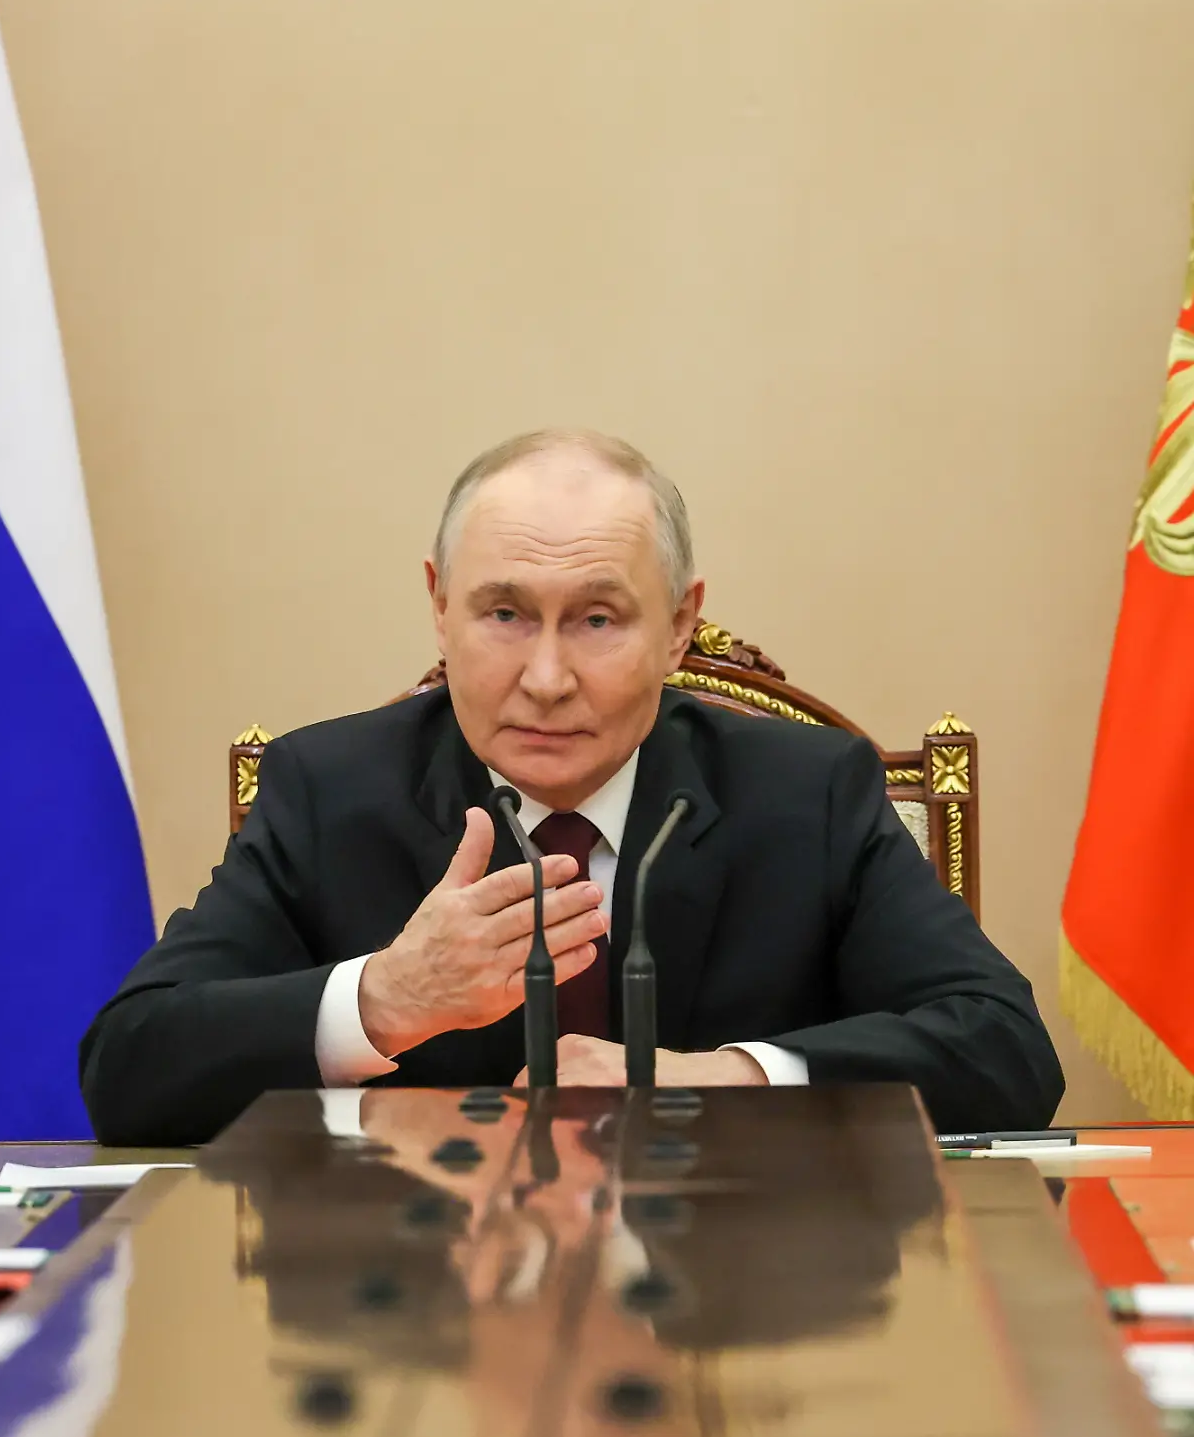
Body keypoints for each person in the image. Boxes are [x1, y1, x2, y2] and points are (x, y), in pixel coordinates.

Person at [79, 428, 1064, 1145]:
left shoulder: (805, 796)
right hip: (423, 1336)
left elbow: (1007, 1051)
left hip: (731, 1336)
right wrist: (387, 997)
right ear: (438, 606)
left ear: (680, 625)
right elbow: (128, 1069)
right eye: (504, 613)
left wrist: (721, 1077)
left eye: (598, 619)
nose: (546, 678)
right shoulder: (325, 793)